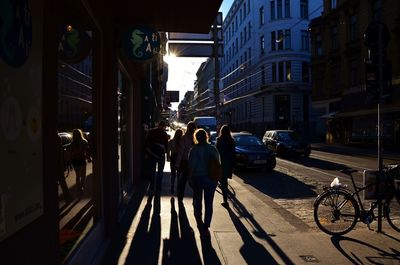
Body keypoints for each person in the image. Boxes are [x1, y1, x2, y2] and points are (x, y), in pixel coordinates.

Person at [188, 128, 220, 237]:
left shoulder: (194, 150)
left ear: (196, 138)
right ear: (206, 137)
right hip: (211, 179)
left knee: (198, 198)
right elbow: (218, 163)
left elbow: (191, 166)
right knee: (209, 202)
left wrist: (189, 178)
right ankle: (206, 225)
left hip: (198, 178)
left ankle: (198, 216)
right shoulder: (212, 148)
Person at [144, 120, 169, 193]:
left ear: (158, 125)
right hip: (160, 155)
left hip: (151, 154)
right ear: (164, 126)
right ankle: (158, 187)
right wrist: (168, 156)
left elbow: (146, 142)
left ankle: (151, 186)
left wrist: (145, 153)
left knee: (152, 171)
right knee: (160, 172)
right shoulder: (164, 134)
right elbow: (166, 146)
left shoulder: (151, 131)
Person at [175, 121, 196, 202]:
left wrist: (177, 164)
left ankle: (180, 198)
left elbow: (180, 153)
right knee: (194, 182)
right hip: (195, 164)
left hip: (185, 162)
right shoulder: (196, 138)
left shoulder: (183, 138)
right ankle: (196, 198)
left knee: (183, 181)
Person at [216, 125, 236, 207]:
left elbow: (217, 153)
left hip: (221, 163)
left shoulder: (219, 140)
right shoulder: (231, 140)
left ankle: (225, 201)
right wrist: (233, 165)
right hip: (229, 163)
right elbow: (233, 154)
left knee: (223, 182)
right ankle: (225, 200)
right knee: (225, 182)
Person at [71, 128, 91, 196]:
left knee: (78, 175)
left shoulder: (72, 143)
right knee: (83, 175)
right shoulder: (84, 141)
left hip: (75, 160)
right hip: (81, 159)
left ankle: (78, 189)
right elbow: (87, 151)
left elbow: (71, 153)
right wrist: (88, 158)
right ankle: (80, 187)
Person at [167, 128, 183, 194]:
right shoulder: (182, 142)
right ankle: (179, 188)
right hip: (179, 159)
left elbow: (168, 150)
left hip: (173, 158)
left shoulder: (171, 141)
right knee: (179, 174)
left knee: (173, 174)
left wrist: (168, 157)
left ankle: (172, 186)